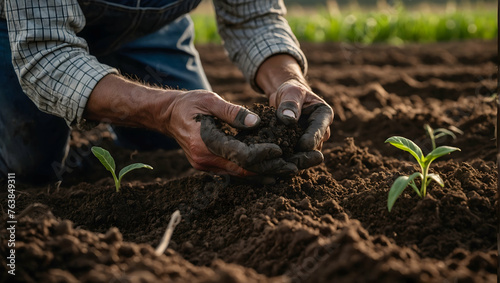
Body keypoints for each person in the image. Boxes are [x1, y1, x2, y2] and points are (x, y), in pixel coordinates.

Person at [0, 0, 333, 184]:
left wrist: (289, 82)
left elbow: (254, 17)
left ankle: (102, 156)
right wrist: (164, 109)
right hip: (29, 30)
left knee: (181, 141)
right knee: (28, 169)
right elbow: (46, 54)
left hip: (149, 26)